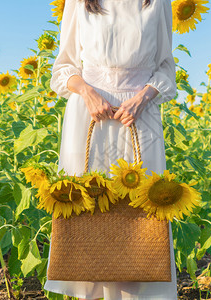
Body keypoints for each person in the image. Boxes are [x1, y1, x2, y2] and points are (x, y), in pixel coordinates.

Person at [44, 0, 177, 298]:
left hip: (140, 115)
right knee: (86, 212)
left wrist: (143, 97)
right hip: (89, 114)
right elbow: (64, 66)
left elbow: (166, 66)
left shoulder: (157, 2)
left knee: (140, 216)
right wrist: (88, 93)